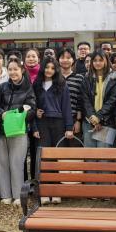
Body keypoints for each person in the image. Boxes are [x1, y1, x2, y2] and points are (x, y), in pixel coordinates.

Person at [34, 57, 74, 204]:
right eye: (47, 67)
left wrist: (69, 127)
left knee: (57, 157)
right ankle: (45, 192)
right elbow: (32, 105)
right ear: (42, 68)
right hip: (42, 123)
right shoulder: (37, 84)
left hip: (58, 123)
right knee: (44, 157)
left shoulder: (62, 84)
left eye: (52, 68)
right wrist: (35, 122)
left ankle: (56, 191)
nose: (49, 70)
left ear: (56, 69)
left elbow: (67, 107)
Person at [0, 58, 36, 206]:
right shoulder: (2, 88)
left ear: (22, 70)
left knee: (17, 163)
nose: (13, 72)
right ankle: (5, 194)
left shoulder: (28, 88)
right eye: (10, 69)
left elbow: (32, 109)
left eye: (15, 69)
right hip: (2, 130)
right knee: (2, 162)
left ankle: (18, 195)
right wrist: (1, 114)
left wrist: (20, 114)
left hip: (19, 130)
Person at [81, 50, 116, 147]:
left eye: (101, 60)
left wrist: (99, 117)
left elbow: (112, 100)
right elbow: (85, 100)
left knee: (104, 154)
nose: (97, 63)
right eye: (95, 60)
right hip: (89, 121)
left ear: (106, 61)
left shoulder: (114, 78)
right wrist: (93, 118)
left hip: (107, 121)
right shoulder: (86, 78)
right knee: (89, 154)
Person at [57, 47, 85, 135]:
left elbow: (81, 101)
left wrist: (78, 121)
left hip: (73, 118)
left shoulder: (79, 78)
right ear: (58, 60)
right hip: (56, 119)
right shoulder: (53, 78)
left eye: (68, 57)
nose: (65, 60)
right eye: (62, 57)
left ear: (73, 60)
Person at [24, 48, 41, 179]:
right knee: (22, 152)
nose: (31, 58)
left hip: (39, 118)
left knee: (36, 150)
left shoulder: (43, 73)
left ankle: (35, 179)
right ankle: (23, 180)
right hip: (23, 117)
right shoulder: (20, 73)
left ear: (38, 59)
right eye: (28, 56)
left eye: (33, 56)